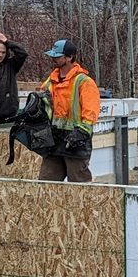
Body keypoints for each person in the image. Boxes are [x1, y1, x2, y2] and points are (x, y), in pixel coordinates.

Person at [38, 38, 100, 182]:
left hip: (75, 141)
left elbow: (90, 113)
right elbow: (44, 107)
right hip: (54, 139)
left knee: (79, 186)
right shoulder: (50, 82)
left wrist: (81, 132)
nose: (53, 59)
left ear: (69, 57)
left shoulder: (84, 82)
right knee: (46, 183)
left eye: (57, 56)